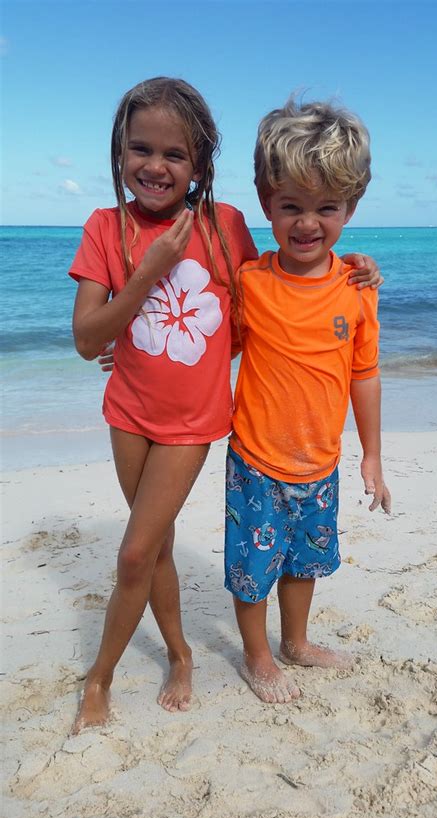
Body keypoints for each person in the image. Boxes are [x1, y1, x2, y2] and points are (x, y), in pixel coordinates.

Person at [71, 76, 382, 731]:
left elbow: (267, 288)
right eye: (139, 149)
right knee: (152, 548)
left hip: (195, 424)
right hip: (127, 411)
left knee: (133, 553)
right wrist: (143, 287)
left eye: (175, 155)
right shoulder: (104, 227)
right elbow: (85, 336)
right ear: (119, 152)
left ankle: (99, 680)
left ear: (200, 165)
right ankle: (182, 654)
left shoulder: (224, 227)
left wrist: (353, 269)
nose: (155, 165)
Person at [224, 98, 391, 704]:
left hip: (320, 463)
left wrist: (371, 456)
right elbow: (208, 345)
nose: (307, 223)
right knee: (252, 570)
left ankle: (295, 641)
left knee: (303, 563)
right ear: (267, 203)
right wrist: (132, 348)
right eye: (290, 206)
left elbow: (364, 376)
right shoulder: (251, 282)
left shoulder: (356, 288)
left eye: (327, 207)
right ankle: (258, 654)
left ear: (351, 207)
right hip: (257, 462)